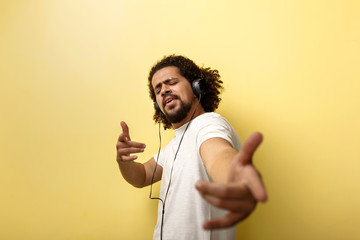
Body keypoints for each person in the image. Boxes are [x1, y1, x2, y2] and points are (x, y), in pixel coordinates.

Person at [116, 55, 267, 240]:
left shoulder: (208, 124)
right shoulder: (173, 146)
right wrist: (123, 160)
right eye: (158, 90)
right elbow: (142, 176)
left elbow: (218, 154)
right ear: (157, 105)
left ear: (197, 87)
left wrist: (236, 176)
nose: (164, 91)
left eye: (170, 82)